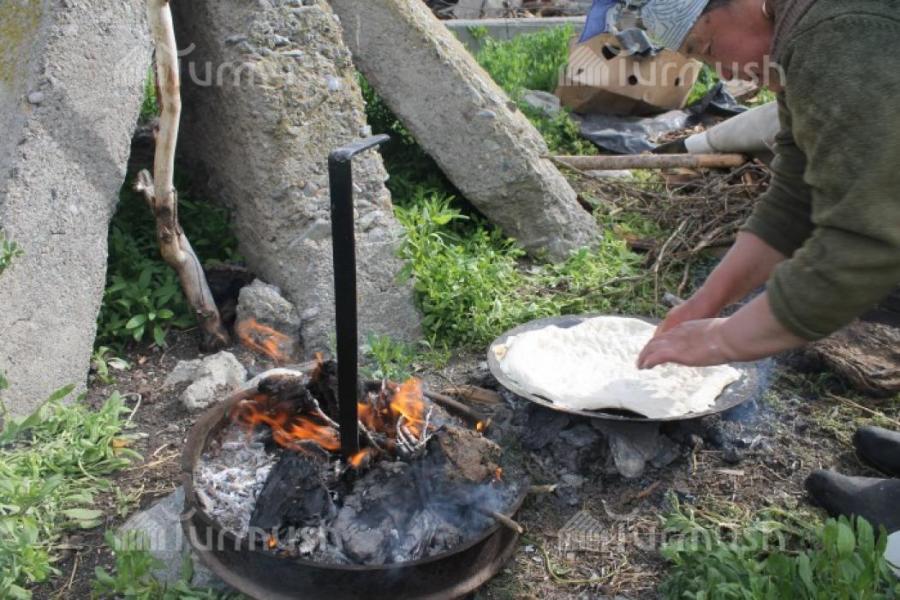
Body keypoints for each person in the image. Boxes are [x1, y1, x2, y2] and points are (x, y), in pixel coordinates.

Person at [579, 0, 900, 542]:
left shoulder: (837, 31)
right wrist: (706, 303)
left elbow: (866, 242)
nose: (723, 73)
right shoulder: (799, 35)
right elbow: (796, 195)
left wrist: (723, 340)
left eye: (708, 48)